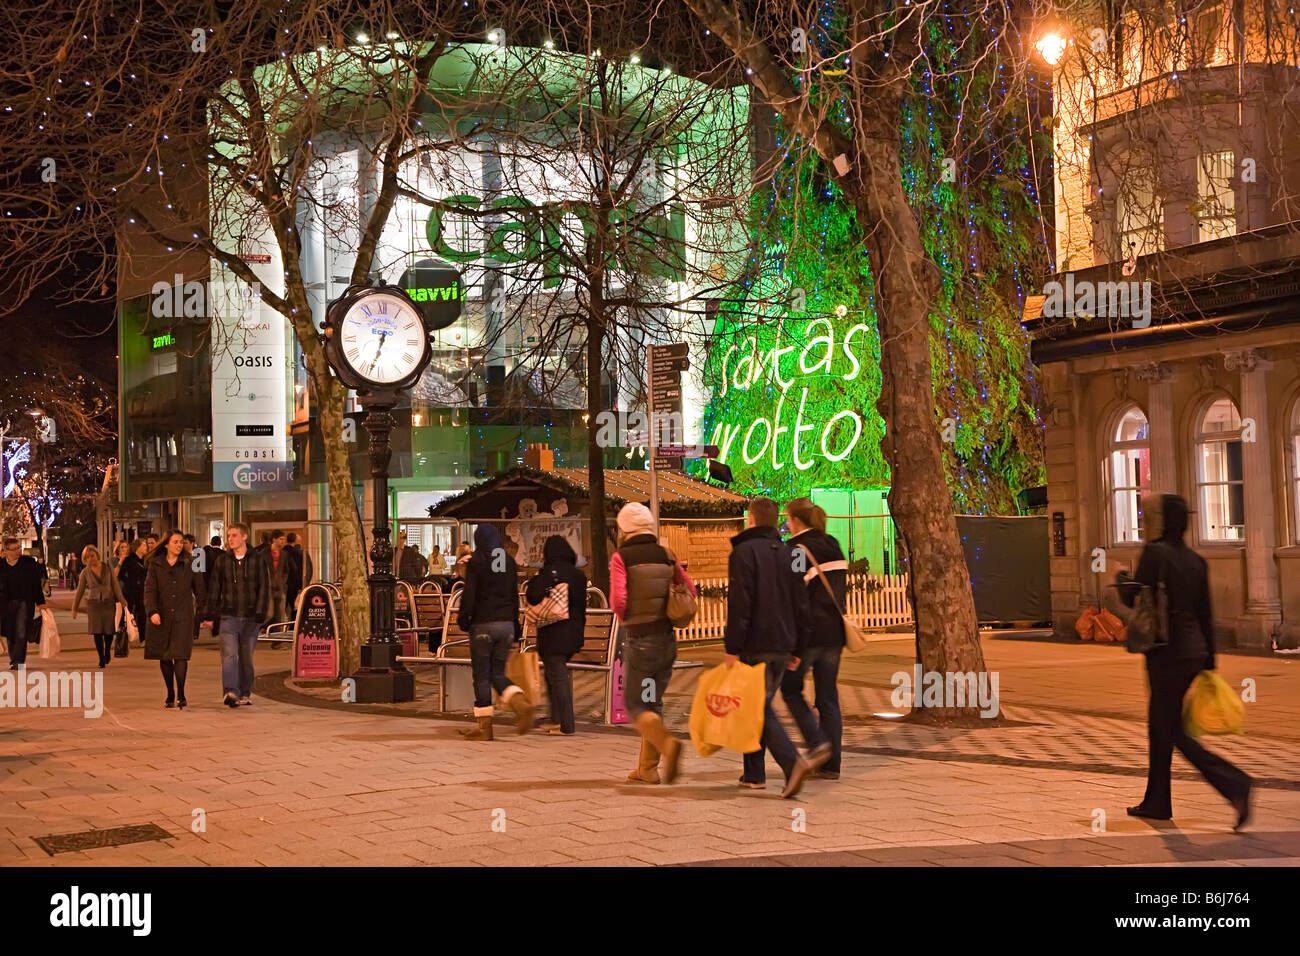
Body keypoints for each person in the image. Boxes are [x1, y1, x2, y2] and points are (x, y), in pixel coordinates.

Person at [1117, 492, 1253, 829]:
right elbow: (1206, 613)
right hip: (1193, 653)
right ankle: (1157, 801)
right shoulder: (1196, 560)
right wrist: (1209, 662)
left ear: (1161, 520)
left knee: (1169, 729)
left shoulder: (1154, 553)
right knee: (1162, 727)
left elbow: (1133, 596)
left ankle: (1235, 782)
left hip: (1166, 652)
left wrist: (1120, 576)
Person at [726, 496, 828, 799]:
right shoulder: (788, 553)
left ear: (752, 520)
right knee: (759, 704)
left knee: (756, 707)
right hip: (783, 645)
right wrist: (798, 647)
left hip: (755, 645)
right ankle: (754, 774)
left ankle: (791, 762)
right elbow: (801, 605)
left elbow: (740, 604)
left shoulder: (743, 553)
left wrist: (732, 647)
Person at [609, 502, 693, 785]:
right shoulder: (667, 555)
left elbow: (619, 600)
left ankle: (668, 745)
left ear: (623, 530)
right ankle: (647, 769)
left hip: (640, 639)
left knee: (635, 705)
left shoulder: (622, 557)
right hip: (667, 640)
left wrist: (628, 618)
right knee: (652, 702)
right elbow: (689, 590)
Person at [780, 499, 847, 781]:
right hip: (835, 633)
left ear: (795, 520)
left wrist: (792, 644)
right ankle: (832, 765)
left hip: (809, 635)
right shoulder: (832, 543)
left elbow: (795, 599)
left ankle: (817, 743)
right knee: (828, 696)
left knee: (790, 689)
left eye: (787, 518)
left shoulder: (796, 551)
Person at [456, 524, 532, 740]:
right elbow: (513, 596)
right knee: (497, 673)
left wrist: (464, 619)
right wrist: (516, 629)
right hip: (506, 625)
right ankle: (519, 702)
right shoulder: (507, 561)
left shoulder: (477, 562)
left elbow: (469, 594)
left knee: (481, 676)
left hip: (483, 626)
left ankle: (484, 728)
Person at [203, 523, 271, 708]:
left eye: (234, 535)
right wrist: (209, 614)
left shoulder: (257, 560)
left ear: (244, 537)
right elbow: (214, 589)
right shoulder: (223, 561)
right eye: (229, 535)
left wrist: (260, 613)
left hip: (250, 617)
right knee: (229, 655)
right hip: (229, 616)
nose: (230, 539)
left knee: (246, 656)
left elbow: (264, 588)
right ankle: (230, 691)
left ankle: (245, 691)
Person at [525, 535, 587, 736]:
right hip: (574, 635)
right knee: (553, 675)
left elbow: (532, 595)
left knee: (557, 676)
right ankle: (556, 719)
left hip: (554, 636)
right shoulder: (578, 576)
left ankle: (566, 725)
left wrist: (541, 578)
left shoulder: (549, 572)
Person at [144, 530, 206, 709]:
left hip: (183, 616)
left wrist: (203, 614)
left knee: (180, 656)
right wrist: (152, 611)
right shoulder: (155, 565)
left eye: (182, 542)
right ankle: (170, 692)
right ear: (166, 544)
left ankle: (181, 693)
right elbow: (149, 590)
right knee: (164, 656)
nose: (180, 545)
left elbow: (200, 590)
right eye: (176, 542)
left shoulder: (191, 562)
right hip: (161, 616)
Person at [71, 544, 128, 668]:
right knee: (97, 632)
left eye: (92, 556)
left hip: (108, 602)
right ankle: (101, 658)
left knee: (109, 631)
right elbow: (80, 591)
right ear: (85, 560)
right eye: (87, 558)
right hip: (94, 604)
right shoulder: (85, 573)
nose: (91, 559)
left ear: (97, 555)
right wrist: (74, 607)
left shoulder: (108, 568)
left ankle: (107, 649)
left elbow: (115, 585)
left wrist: (122, 600)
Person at [0, 537, 46, 669]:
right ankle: (14, 658)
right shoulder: (2, 566)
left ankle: (19, 662)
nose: (17, 551)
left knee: (21, 630)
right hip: (6, 605)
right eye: (13, 549)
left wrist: (41, 602)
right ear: (5, 551)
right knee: (10, 632)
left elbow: (35, 585)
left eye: (18, 548)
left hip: (24, 603)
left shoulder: (28, 564)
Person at [117, 538, 149, 644]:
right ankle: (122, 636)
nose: (146, 547)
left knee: (142, 613)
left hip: (141, 591)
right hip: (130, 591)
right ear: (138, 547)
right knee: (127, 613)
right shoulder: (129, 560)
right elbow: (121, 575)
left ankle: (143, 637)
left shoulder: (145, 560)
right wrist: (131, 581)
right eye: (144, 545)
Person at [258, 529, 290, 623]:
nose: (282, 541)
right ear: (274, 539)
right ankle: (257, 630)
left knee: (280, 615)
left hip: (280, 588)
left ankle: (277, 635)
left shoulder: (284, 554)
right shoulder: (263, 554)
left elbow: (286, 570)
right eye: (280, 539)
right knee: (269, 614)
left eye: (283, 539)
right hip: (268, 589)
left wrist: (283, 581)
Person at [285, 532, 310, 609]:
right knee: (296, 611)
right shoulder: (301, 553)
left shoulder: (283, 553)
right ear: (295, 541)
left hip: (284, 586)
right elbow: (308, 570)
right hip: (297, 586)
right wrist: (303, 585)